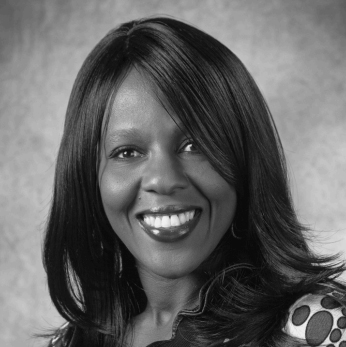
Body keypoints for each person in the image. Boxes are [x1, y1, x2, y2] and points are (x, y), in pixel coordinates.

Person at [43, 16, 346, 347]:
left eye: (195, 146)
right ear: (87, 179)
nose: (163, 180)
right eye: (127, 152)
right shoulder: (71, 342)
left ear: (244, 161)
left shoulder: (314, 328)